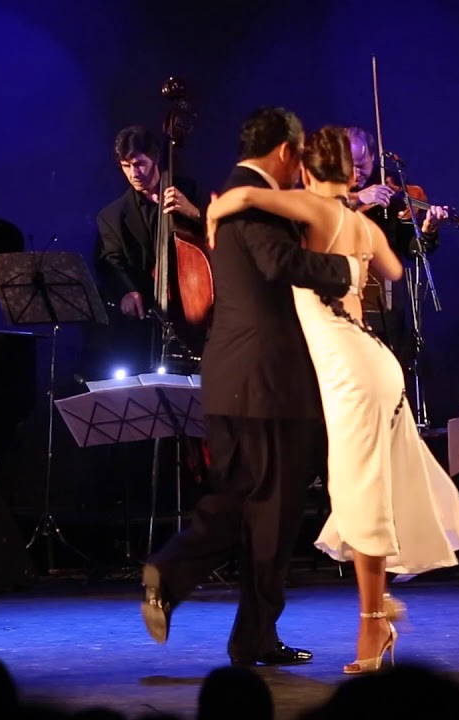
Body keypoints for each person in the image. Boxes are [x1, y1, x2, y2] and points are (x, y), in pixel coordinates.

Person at [205, 126, 459, 674]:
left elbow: (251, 196)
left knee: (360, 498)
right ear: (353, 175)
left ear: (306, 170)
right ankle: (380, 610)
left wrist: (214, 209)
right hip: (376, 364)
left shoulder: (312, 209)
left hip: (352, 373)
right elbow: (395, 269)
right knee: (369, 491)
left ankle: (374, 626)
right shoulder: (362, 224)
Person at [139, 107, 359, 669]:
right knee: (274, 513)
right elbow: (279, 262)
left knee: (242, 501)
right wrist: (349, 271)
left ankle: (214, 605)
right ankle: (233, 619)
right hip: (269, 385)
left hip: (236, 380)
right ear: (285, 152)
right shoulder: (250, 199)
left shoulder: (235, 197)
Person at [92, 125, 206, 374]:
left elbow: (225, 234)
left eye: (139, 163)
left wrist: (195, 213)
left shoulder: (190, 191)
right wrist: (127, 291)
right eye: (125, 165)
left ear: (155, 158)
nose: (133, 173)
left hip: (196, 318)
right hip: (145, 324)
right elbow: (111, 261)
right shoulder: (112, 216)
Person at [344, 126, 453, 366]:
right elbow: (322, 214)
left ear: (373, 157)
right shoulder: (333, 193)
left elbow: (412, 250)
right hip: (343, 307)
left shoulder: (393, 192)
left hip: (386, 307)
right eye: (349, 164)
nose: (355, 172)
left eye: (361, 164)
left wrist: (429, 228)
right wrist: (359, 197)